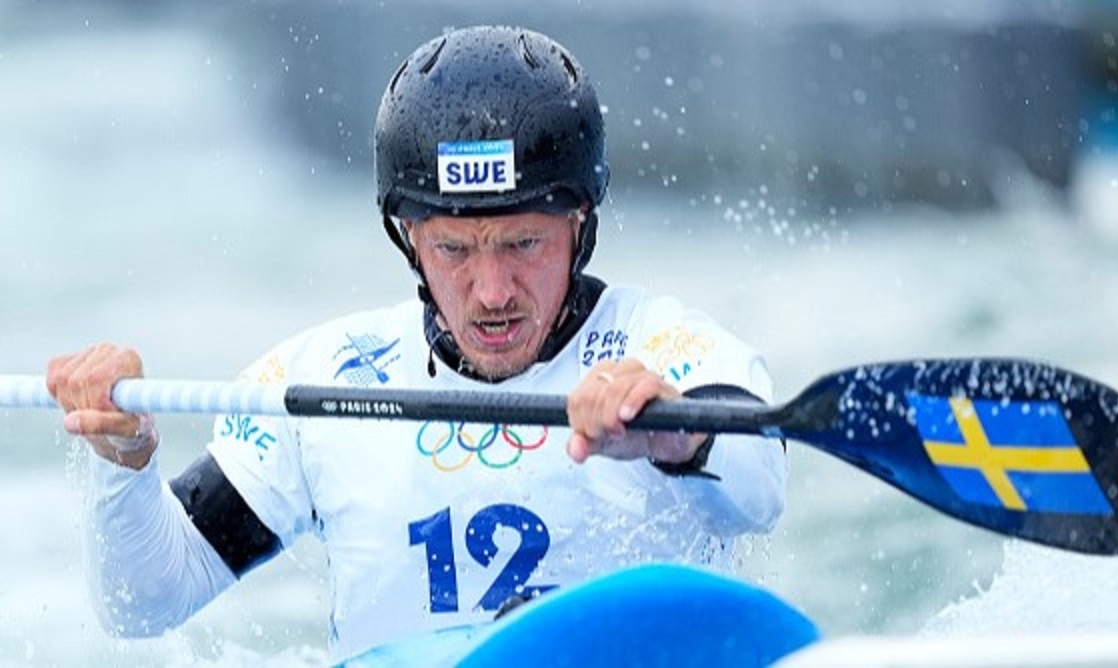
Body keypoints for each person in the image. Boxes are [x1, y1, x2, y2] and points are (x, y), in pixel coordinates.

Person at [46, 25, 788, 662]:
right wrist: (123, 462)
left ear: (581, 227)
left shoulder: (670, 347)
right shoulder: (325, 376)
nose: (492, 290)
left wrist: (671, 432)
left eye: (524, 243)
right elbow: (142, 605)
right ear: (407, 240)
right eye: (455, 250)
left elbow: (762, 489)